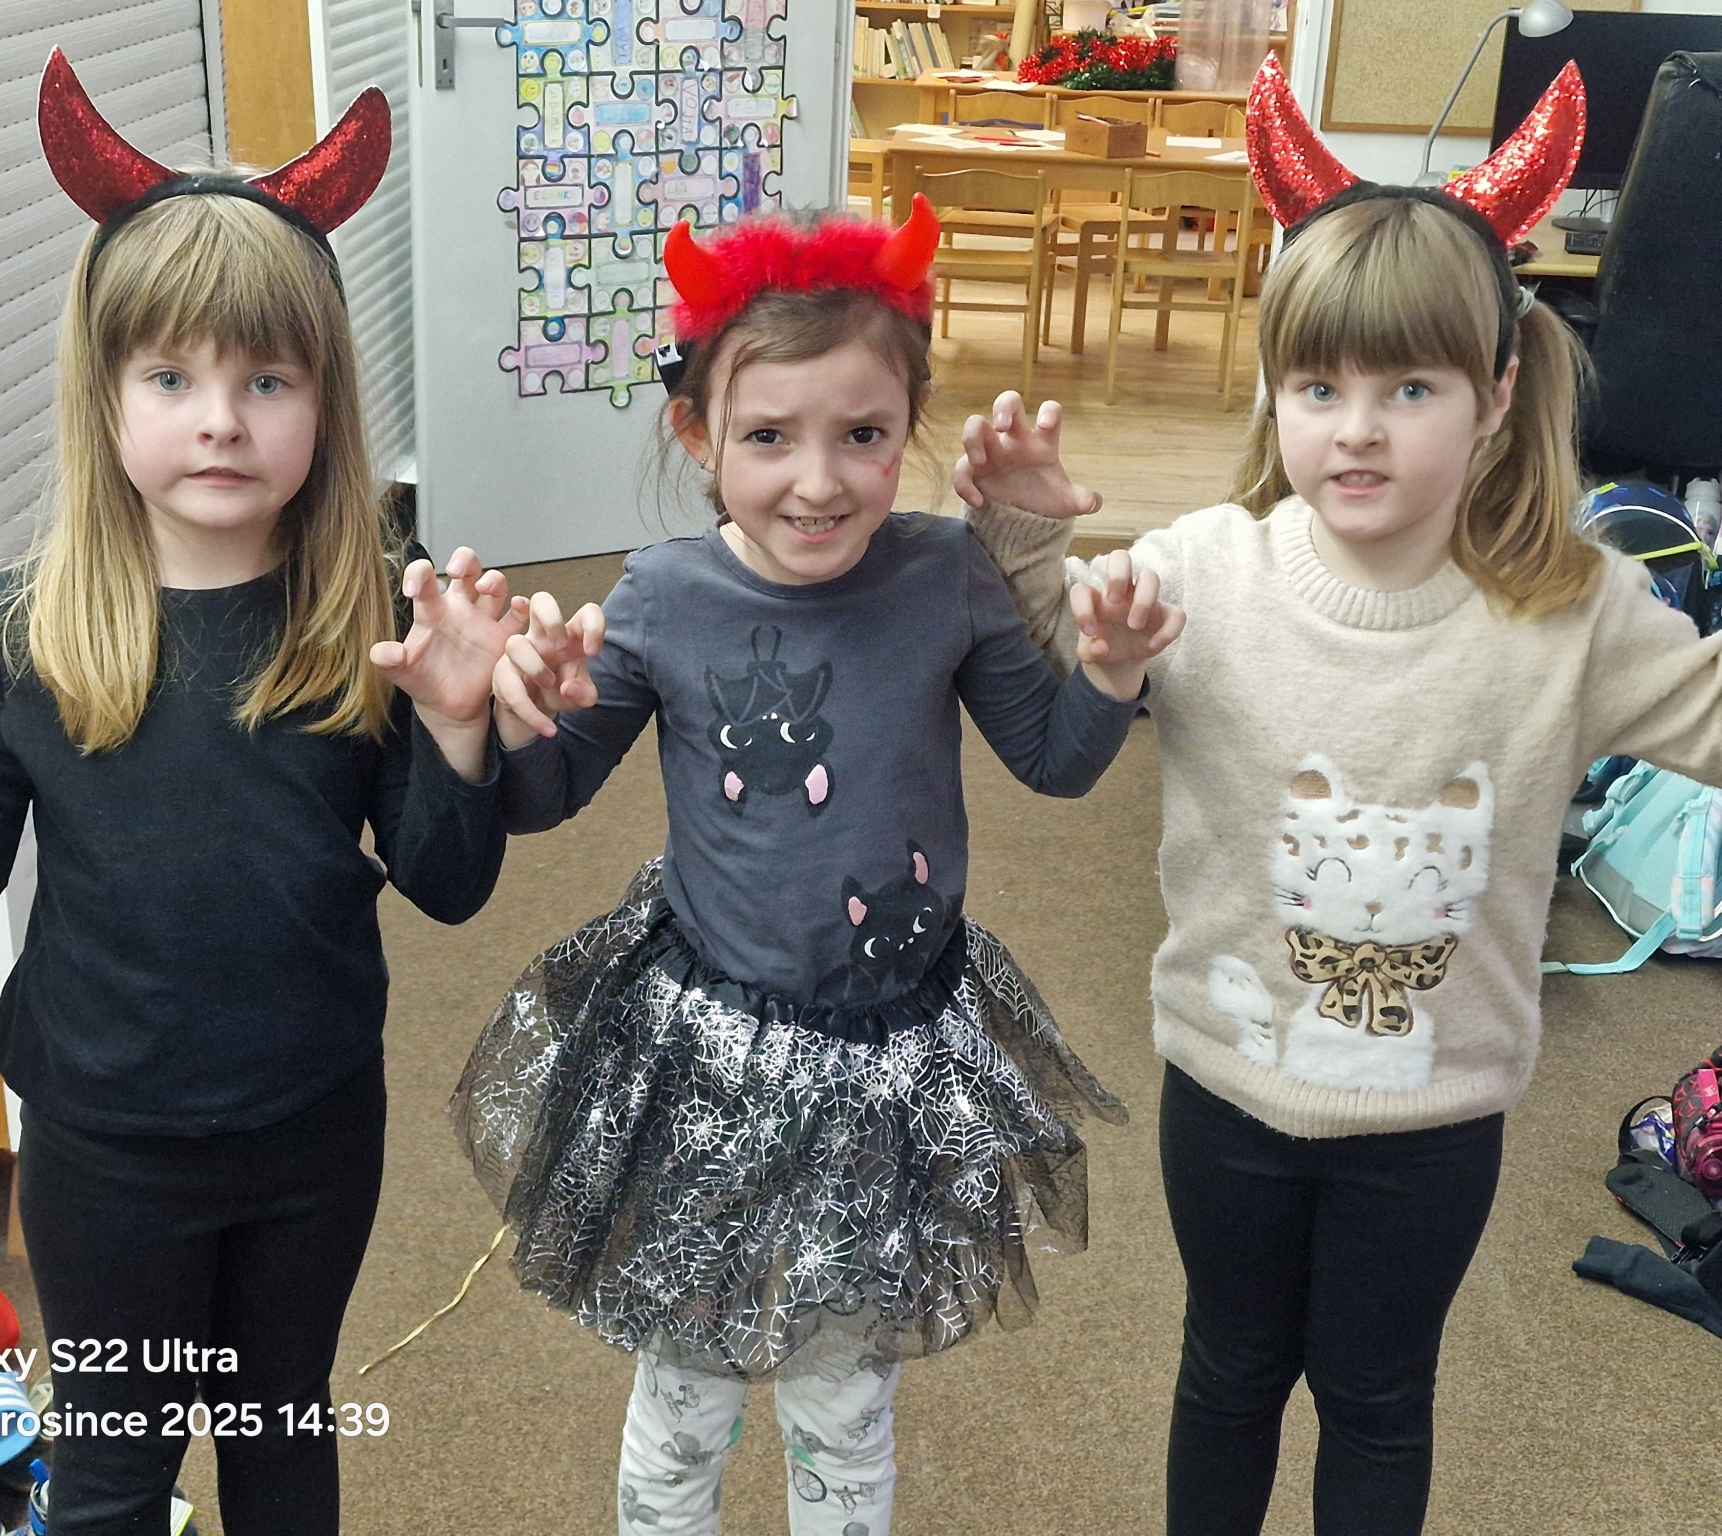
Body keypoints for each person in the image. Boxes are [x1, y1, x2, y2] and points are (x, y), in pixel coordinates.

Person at [954, 58, 1722, 1536]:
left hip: (1436, 1115)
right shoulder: (1204, 567)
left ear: (1497, 396)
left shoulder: (1571, 608)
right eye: (1319, 388)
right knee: (1228, 1372)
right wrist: (1021, 543)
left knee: (1377, 1397)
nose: (1356, 429)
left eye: (1409, 389)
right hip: (1228, 1086)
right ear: (1277, 390)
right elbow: (1061, 693)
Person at [0, 54, 521, 1536]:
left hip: (313, 1126)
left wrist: (457, 726)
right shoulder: (16, 633)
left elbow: (449, 883)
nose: (221, 421)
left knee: (280, 1431)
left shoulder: (370, 614)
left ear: (323, 399)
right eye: (172, 379)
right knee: (118, 1466)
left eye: (268, 380)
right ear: (108, 395)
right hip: (104, 1145)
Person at [449, 199, 1177, 1536]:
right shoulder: (662, 596)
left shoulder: (947, 574)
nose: (820, 482)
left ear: (911, 423)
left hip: (891, 1053)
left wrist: (1113, 670)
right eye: (769, 437)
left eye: (863, 435)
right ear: (698, 436)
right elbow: (543, 802)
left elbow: (1055, 762)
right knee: (687, 1391)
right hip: (711, 1055)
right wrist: (520, 714)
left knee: (845, 1404)